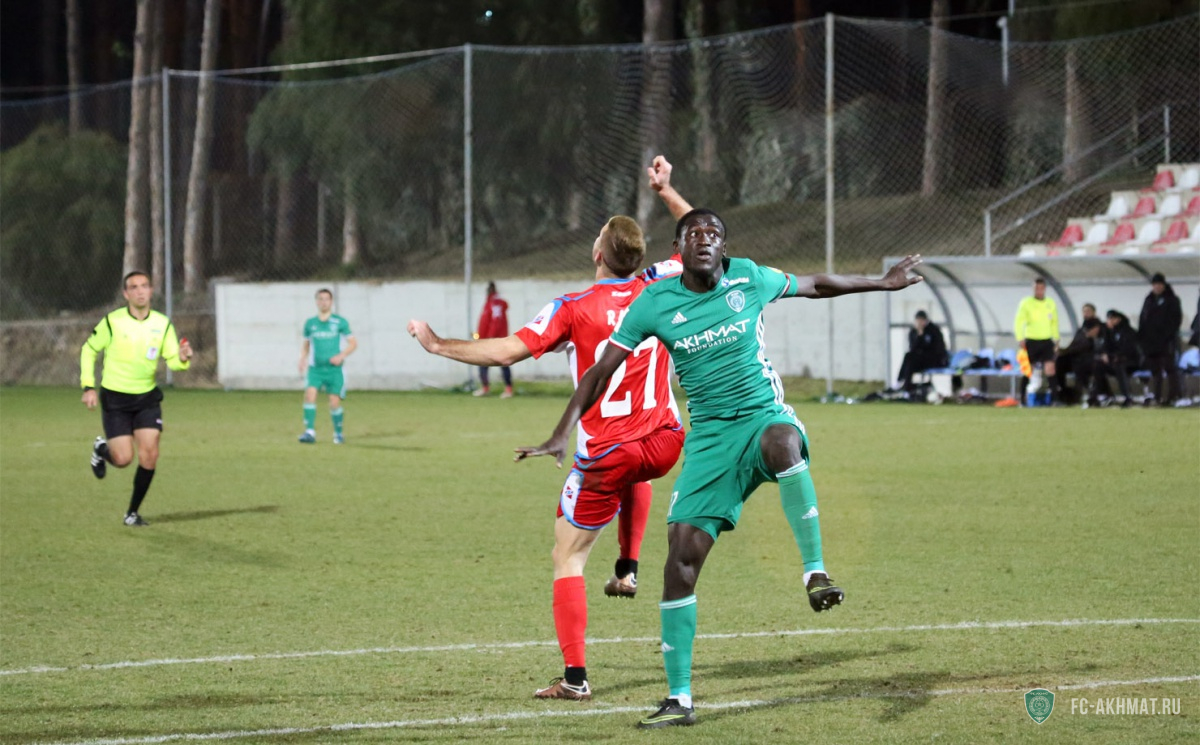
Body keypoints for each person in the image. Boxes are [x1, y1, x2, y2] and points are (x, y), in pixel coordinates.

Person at [517, 207, 923, 729]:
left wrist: (883, 283)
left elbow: (816, 284)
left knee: (783, 443)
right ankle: (679, 700)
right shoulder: (654, 302)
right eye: (694, 233)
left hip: (760, 417)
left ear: (724, 249)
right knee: (679, 562)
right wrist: (561, 430)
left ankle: (815, 572)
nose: (705, 238)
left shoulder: (749, 277)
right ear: (678, 249)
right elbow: (600, 371)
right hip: (709, 442)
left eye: (714, 233)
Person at [408, 216, 685, 702]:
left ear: (598, 254)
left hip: (609, 453)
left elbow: (506, 353)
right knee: (636, 468)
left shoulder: (572, 307)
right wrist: (666, 191)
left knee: (568, 556)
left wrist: (437, 344)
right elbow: (695, 230)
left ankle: (575, 678)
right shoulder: (662, 283)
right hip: (666, 442)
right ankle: (627, 568)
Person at [81, 270, 193, 526]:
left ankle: (132, 513)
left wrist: (183, 358)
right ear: (126, 294)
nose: (140, 291)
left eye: (144, 286)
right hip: (116, 399)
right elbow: (89, 349)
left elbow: (173, 360)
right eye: (134, 287)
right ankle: (101, 449)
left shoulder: (162, 324)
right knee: (123, 459)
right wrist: (88, 386)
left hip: (146, 399)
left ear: (151, 291)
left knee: (150, 455)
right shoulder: (113, 322)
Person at [298, 288, 356, 444]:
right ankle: (309, 432)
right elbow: (306, 344)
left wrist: (341, 356)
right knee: (309, 395)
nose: (323, 302)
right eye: (320, 299)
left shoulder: (340, 322)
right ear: (317, 302)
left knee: (334, 402)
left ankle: (338, 434)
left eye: (326, 299)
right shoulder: (310, 323)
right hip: (316, 369)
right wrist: (302, 358)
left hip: (334, 370)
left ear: (331, 302)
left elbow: (353, 343)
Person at [1138, 273, 1185, 407]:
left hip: (1166, 341)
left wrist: (1167, 336)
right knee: (1155, 370)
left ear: (1164, 285)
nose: (1157, 287)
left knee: (1170, 368)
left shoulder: (1172, 300)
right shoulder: (1149, 300)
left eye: (1159, 284)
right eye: (1155, 284)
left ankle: (1174, 396)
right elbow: (1143, 319)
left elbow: (1176, 320)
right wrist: (1142, 338)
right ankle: (1157, 396)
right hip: (1151, 343)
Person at [1013, 277, 1061, 406]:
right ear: (1033, 289)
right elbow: (1018, 321)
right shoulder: (1026, 303)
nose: (1038, 291)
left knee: (1050, 369)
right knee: (1028, 370)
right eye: (1036, 288)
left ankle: (1055, 400)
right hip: (1031, 340)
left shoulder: (1050, 303)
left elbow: (1054, 322)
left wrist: (1056, 339)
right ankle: (1022, 399)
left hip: (1047, 340)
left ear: (1044, 289)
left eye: (1041, 288)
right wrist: (1020, 337)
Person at [893, 310, 948, 393]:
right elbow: (913, 348)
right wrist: (919, 336)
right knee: (908, 357)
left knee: (911, 360)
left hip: (933, 359)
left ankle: (906, 385)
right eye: (918, 320)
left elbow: (938, 348)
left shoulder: (934, 330)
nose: (920, 322)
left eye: (921, 320)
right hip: (919, 359)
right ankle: (903, 382)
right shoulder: (913, 332)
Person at [475, 282, 514, 398]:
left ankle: (505, 389)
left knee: (492, 363)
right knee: (494, 363)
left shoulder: (495, 303)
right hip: (492, 338)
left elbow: (496, 322)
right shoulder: (492, 302)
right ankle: (491, 388)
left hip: (492, 339)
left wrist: (490, 338)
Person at [1055, 304, 1099, 404]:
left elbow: (1087, 345)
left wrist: (1068, 350)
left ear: (1094, 313)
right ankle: (1063, 392)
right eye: (1084, 311)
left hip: (1088, 359)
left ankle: (1076, 396)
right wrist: (1062, 351)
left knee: (1079, 366)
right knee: (1059, 362)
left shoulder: (1097, 327)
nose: (1086, 313)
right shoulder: (1082, 329)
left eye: (1088, 311)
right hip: (1076, 357)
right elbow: (1074, 344)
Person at [1094, 309, 1139, 408]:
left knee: (1119, 366)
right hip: (1114, 361)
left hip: (1130, 362)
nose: (1109, 321)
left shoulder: (1128, 332)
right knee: (1098, 366)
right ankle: (1099, 396)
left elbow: (1129, 350)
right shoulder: (1109, 332)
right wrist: (1105, 354)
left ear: (1118, 319)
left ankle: (1127, 397)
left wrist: (1115, 356)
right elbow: (1106, 347)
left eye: (1111, 319)